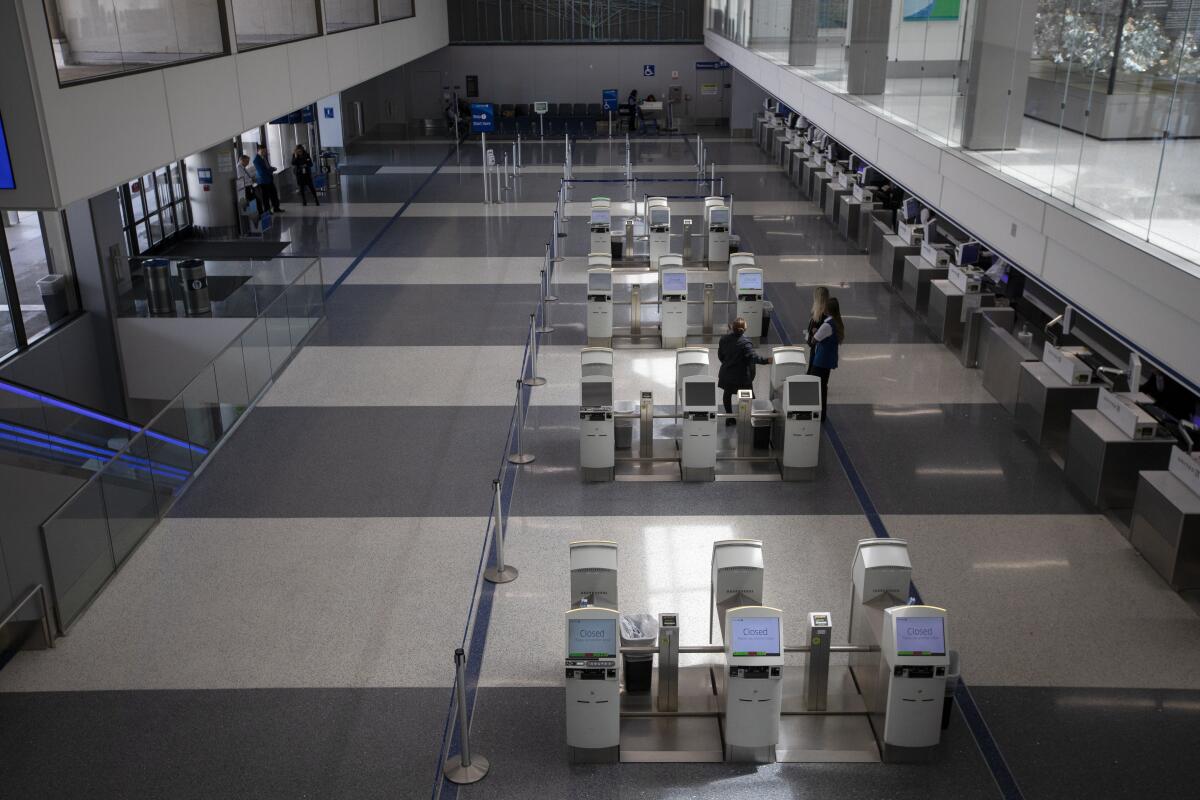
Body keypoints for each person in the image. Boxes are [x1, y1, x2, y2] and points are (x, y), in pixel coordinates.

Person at [718, 317, 771, 426]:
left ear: (732, 328)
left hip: (727, 375)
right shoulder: (746, 343)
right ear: (744, 329)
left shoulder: (723, 339)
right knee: (750, 396)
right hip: (742, 377)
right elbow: (754, 358)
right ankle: (752, 418)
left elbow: (720, 356)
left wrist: (728, 363)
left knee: (727, 395)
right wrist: (767, 360)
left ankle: (729, 418)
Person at [808, 296, 845, 419]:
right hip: (828, 359)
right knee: (823, 386)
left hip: (821, 360)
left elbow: (814, 340)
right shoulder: (836, 322)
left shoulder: (827, 325)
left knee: (815, 386)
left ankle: (815, 412)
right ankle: (822, 413)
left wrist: (814, 331)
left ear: (828, 309)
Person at [253, 145, 282, 213]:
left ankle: (276, 208)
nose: (264, 152)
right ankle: (267, 211)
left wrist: (272, 168)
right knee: (265, 197)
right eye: (262, 151)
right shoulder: (256, 160)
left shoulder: (264, 158)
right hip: (263, 181)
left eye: (265, 151)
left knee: (274, 194)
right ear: (258, 151)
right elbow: (261, 171)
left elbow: (267, 167)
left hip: (269, 179)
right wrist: (271, 170)